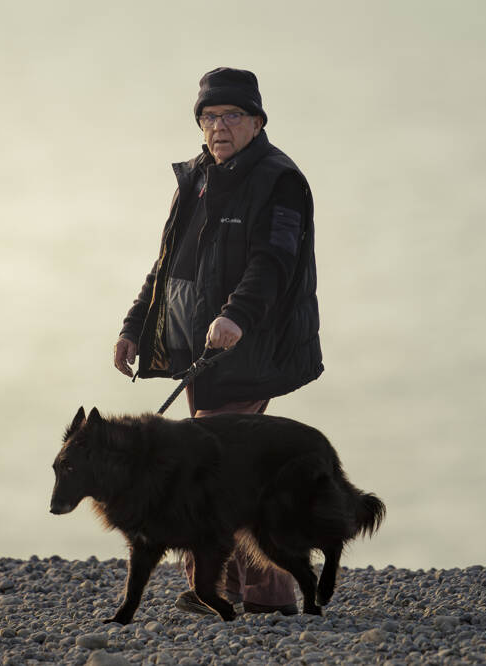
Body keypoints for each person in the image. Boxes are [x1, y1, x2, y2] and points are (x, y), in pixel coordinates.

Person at [112, 67, 323, 616]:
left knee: (218, 466)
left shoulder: (280, 180)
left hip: (247, 349)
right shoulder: (199, 176)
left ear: (257, 120)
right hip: (196, 353)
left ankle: (256, 595)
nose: (219, 126)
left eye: (232, 115)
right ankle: (237, 592)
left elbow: (273, 262)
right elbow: (166, 264)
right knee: (222, 468)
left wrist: (236, 317)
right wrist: (135, 327)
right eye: (209, 117)